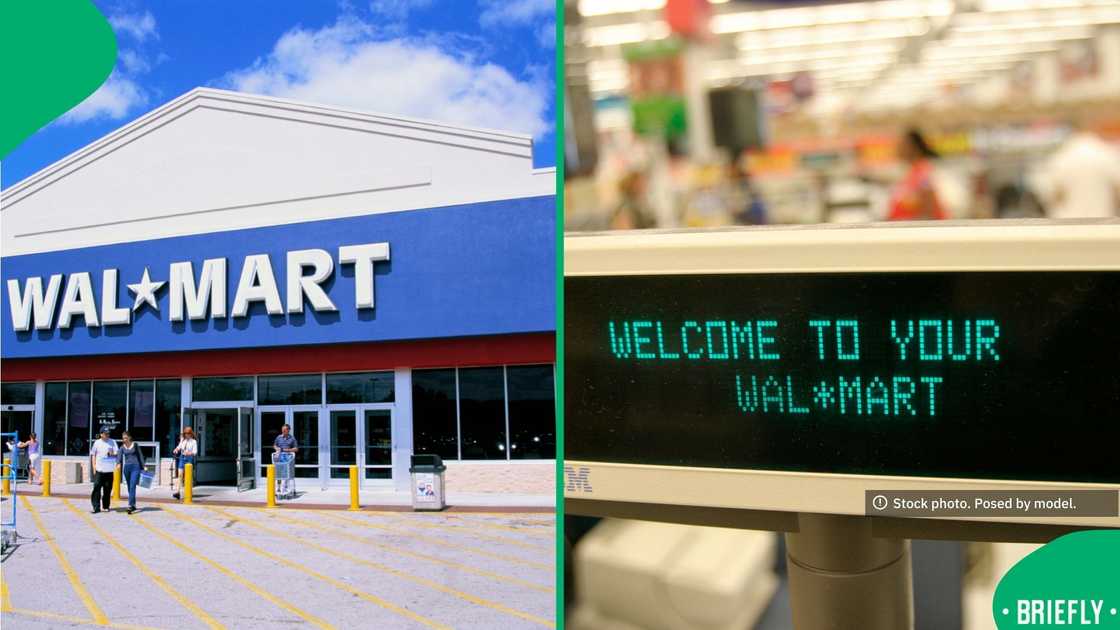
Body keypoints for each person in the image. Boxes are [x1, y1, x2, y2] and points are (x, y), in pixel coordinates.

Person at [1042, 124, 1120, 218]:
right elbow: (1117, 190)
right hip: (1104, 218)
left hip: (1068, 220)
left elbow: (1053, 193)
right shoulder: (1108, 155)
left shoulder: (1061, 157)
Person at [887, 129, 948, 221]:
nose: (898, 149)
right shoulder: (911, 173)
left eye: (903, 145)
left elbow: (929, 209)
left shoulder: (924, 172)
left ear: (913, 148)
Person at [89, 427, 118, 513]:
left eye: (108, 433)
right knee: (96, 488)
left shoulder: (113, 442)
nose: (107, 435)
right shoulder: (97, 443)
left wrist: (112, 454)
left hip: (109, 470)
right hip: (99, 470)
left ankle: (106, 506)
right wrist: (94, 467)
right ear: (101, 434)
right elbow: (93, 455)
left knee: (107, 489)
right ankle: (96, 507)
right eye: (105, 433)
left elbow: (117, 454)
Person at [119, 432, 145, 514]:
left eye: (126, 438)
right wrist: (118, 463)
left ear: (130, 437)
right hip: (127, 468)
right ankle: (133, 505)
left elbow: (140, 455)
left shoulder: (135, 445)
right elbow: (119, 456)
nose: (124, 439)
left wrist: (144, 466)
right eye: (123, 438)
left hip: (135, 467)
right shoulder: (122, 447)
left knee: (132, 486)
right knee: (129, 486)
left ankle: (130, 505)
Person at [171, 426, 197, 500]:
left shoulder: (193, 441)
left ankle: (189, 491)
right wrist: (176, 449)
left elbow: (195, 452)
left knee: (188, 476)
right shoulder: (183, 440)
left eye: (188, 433)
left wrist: (189, 453)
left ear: (191, 434)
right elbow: (179, 446)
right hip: (182, 458)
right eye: (185, 433)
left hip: (189, 459)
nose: (186, 435)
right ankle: (178, 492)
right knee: (180, 475)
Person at [273, 424, 299, 497]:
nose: (283, 431)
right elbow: (274, 445)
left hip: (287, 458)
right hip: (279, 457)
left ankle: (284, 489)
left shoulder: (292, 438)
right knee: (278, 473)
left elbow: (296, 449)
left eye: (284, 430)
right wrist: (277, 449)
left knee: (285, 473)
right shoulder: (278, 437)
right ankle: (278, 488)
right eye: (282, 430)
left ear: (288, 430)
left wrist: (286, 450)